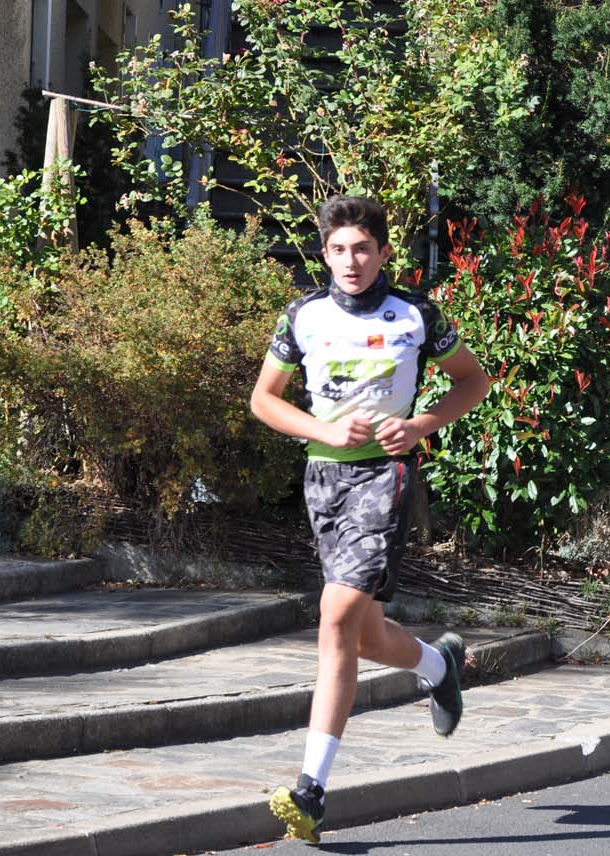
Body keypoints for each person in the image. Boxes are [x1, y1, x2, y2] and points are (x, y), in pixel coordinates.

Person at [250, 195, 491, 843]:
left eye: (362, 248)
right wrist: (322, 426)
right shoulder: (302, 316)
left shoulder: (415, 314)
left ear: (383, 252)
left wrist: (421, 423)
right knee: (362, 636)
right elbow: (265, 401)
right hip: (322, 478)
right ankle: (439, 668)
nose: (350, 261)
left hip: (385, 478)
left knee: (333, 618)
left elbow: (473, 381)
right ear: (323, 254)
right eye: (337, 250)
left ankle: (311, 791)